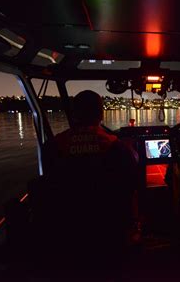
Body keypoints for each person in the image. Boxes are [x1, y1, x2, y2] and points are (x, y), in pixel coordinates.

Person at [36, 90, 140, 276]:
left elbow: (50, 187)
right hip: (110, 233)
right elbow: (131, 189)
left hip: (66, 233)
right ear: (101, 114)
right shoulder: (118, 148)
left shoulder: (52, 147)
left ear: (74, 114)